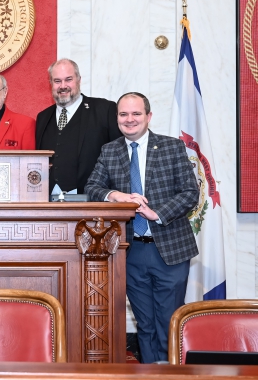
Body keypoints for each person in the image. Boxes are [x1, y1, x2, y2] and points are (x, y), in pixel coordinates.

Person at [85, 92, 199, 363]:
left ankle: (170, 373)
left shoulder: (171, 147)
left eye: (136, 114)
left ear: (148, 116)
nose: (130, 119)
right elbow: (92, 188)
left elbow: (190, 192)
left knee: (169, 323)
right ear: (117, 119)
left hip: (170, 250)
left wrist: (156, 213)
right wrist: (117, 196)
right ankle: (151, 372)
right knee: (145, 324)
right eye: (123, 114)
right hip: (131, 251)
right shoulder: (109, 150)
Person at [36, 59, 121, 195]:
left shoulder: (104, 110)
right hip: (49, 202)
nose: (63, 86)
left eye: (68, 79)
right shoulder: (43, 117)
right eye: (57, 81)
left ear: (79, 80)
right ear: (50, 84)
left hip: (92, 200)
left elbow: (120, 154)